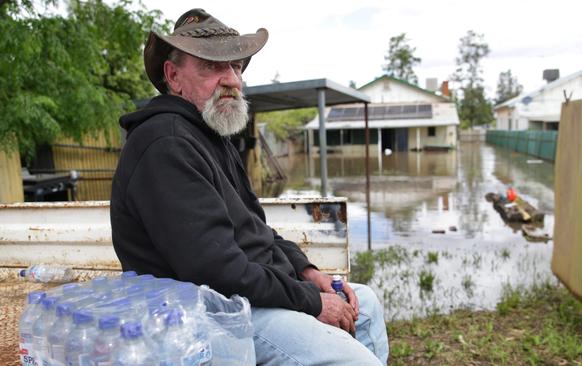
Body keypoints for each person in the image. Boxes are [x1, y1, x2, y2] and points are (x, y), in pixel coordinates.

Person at [110, 8, 388, 365]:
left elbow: (257, 230)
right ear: (173, 76)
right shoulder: (166, 144)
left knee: (364, 305)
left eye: (237, 66)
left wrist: (308, 272)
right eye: (212, 66)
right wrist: (311, 301)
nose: (233, 80)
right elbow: (215, 271)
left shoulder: (213, 136)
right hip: (201, 315)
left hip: (240, 299)